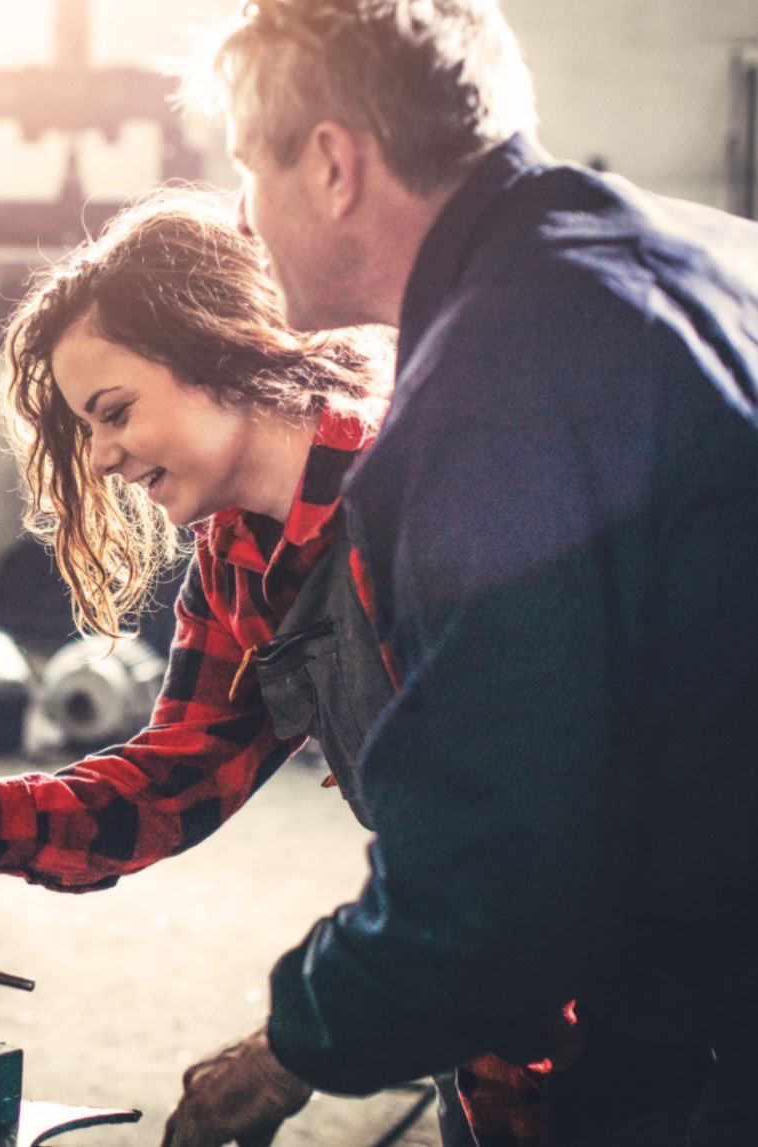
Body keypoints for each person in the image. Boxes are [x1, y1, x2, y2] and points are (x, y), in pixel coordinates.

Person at [153, 1, 758, 1145]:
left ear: (333, 163)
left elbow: (498, 874)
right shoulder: (702, 252)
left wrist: (296, 1041)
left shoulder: (489, 399)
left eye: (246, 167)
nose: (241, 214)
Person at [0, 188, 451, 1137]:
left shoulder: (421, 501)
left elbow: (505, 854)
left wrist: (291, 1047)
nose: (102, 457)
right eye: (86, 430)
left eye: (114, 412)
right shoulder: (239, 559)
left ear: (222, 349)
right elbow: (172, 779)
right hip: (487, 982)